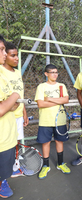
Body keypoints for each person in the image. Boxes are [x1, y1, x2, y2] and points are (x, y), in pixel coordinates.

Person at [35, 64, 71, 179]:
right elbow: (40, 103)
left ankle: (60, 163)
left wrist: (49, 99)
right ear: (46, 74)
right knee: (46, 143)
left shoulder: (61, 86)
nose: (55, 74)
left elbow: (66, 99)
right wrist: (58, 101)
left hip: (59, 120)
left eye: (56, 72)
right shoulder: (41, 86)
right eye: (52, 72)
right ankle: (46, 166)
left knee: (59, 141)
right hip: (45, 121)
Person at [0, 42, 29, 177]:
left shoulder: (17, 72)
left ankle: (15, 164)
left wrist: (24, 113)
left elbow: (20, 94)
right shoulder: (1, 71)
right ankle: (10, 169)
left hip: (17, 115)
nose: (16, 58)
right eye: (13, 55)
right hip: (7, 116)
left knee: (15, 142)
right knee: (7, 145)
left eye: (17, 55)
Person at [0, 35, 20, 198]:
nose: (5, 54)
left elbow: (12, 105)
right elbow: (2, 108)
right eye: (1, 50)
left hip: (8, 134)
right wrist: (14, 95)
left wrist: (10, 103)